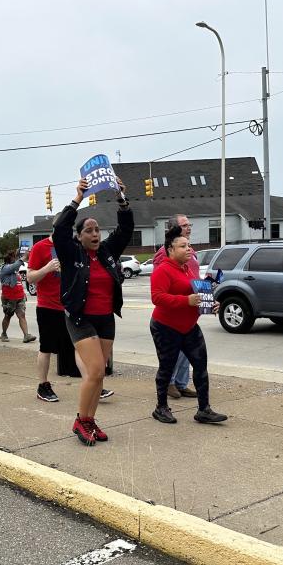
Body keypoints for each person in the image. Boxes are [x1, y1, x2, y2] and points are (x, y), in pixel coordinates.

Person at [53, 176, 133, 446]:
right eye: (88, 230)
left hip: (105, 318)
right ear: (79, 236)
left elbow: (126, 229)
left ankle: (90, 420)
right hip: (80, 318)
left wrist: (121, 199)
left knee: (100, 375)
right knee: (96, 370)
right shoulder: (71, 253)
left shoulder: (108, 252)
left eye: (97, 229)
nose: (95, 234)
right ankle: (80, 420)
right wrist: (78, 198)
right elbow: (59, 228)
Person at [149, 226, 227, 425]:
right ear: (170, 249)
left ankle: (204, 409)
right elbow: (157, 298)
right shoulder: (163, 270)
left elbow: (196, 294)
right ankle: (161, 407)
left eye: (189, 245)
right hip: (166, 327)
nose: (189, 249)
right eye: (183, 246)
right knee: (166, 368)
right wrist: (187, 301)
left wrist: (210, 304)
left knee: (201, 367)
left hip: (189, 327)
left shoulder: (188, 268)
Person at [27, 234, 78, 402]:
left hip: (71, 305)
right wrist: (46, 269)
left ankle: (92, 383)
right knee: (46, 347)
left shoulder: (72, 245)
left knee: (80, 345)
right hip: (48, 306)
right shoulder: (40, 247)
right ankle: (43, 386)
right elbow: (30, 277)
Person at [153, 215, 199, 399]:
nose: (188, 228)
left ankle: (181, 383)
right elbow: (159, 289)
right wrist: (184, 299)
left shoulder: (190, 251)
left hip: (190, 312)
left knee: (186, 353)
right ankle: (169, 383)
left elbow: (192, 275)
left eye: (189, 225)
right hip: (172, 315)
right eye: (184, 225)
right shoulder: (164, 254)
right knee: (173, 352)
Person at [0, 250, 36, 344]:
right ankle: (3, 334)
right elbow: (14, 266)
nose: (16, 260)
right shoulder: (5, 268)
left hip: (19, 297)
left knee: (22, 315)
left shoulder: (15, 271)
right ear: (9, 259)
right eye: (14, 258)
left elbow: (19, 283)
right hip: (9, 297)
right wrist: (23, 258)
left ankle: (26, 335)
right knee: (8, 316)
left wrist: (23, 294)